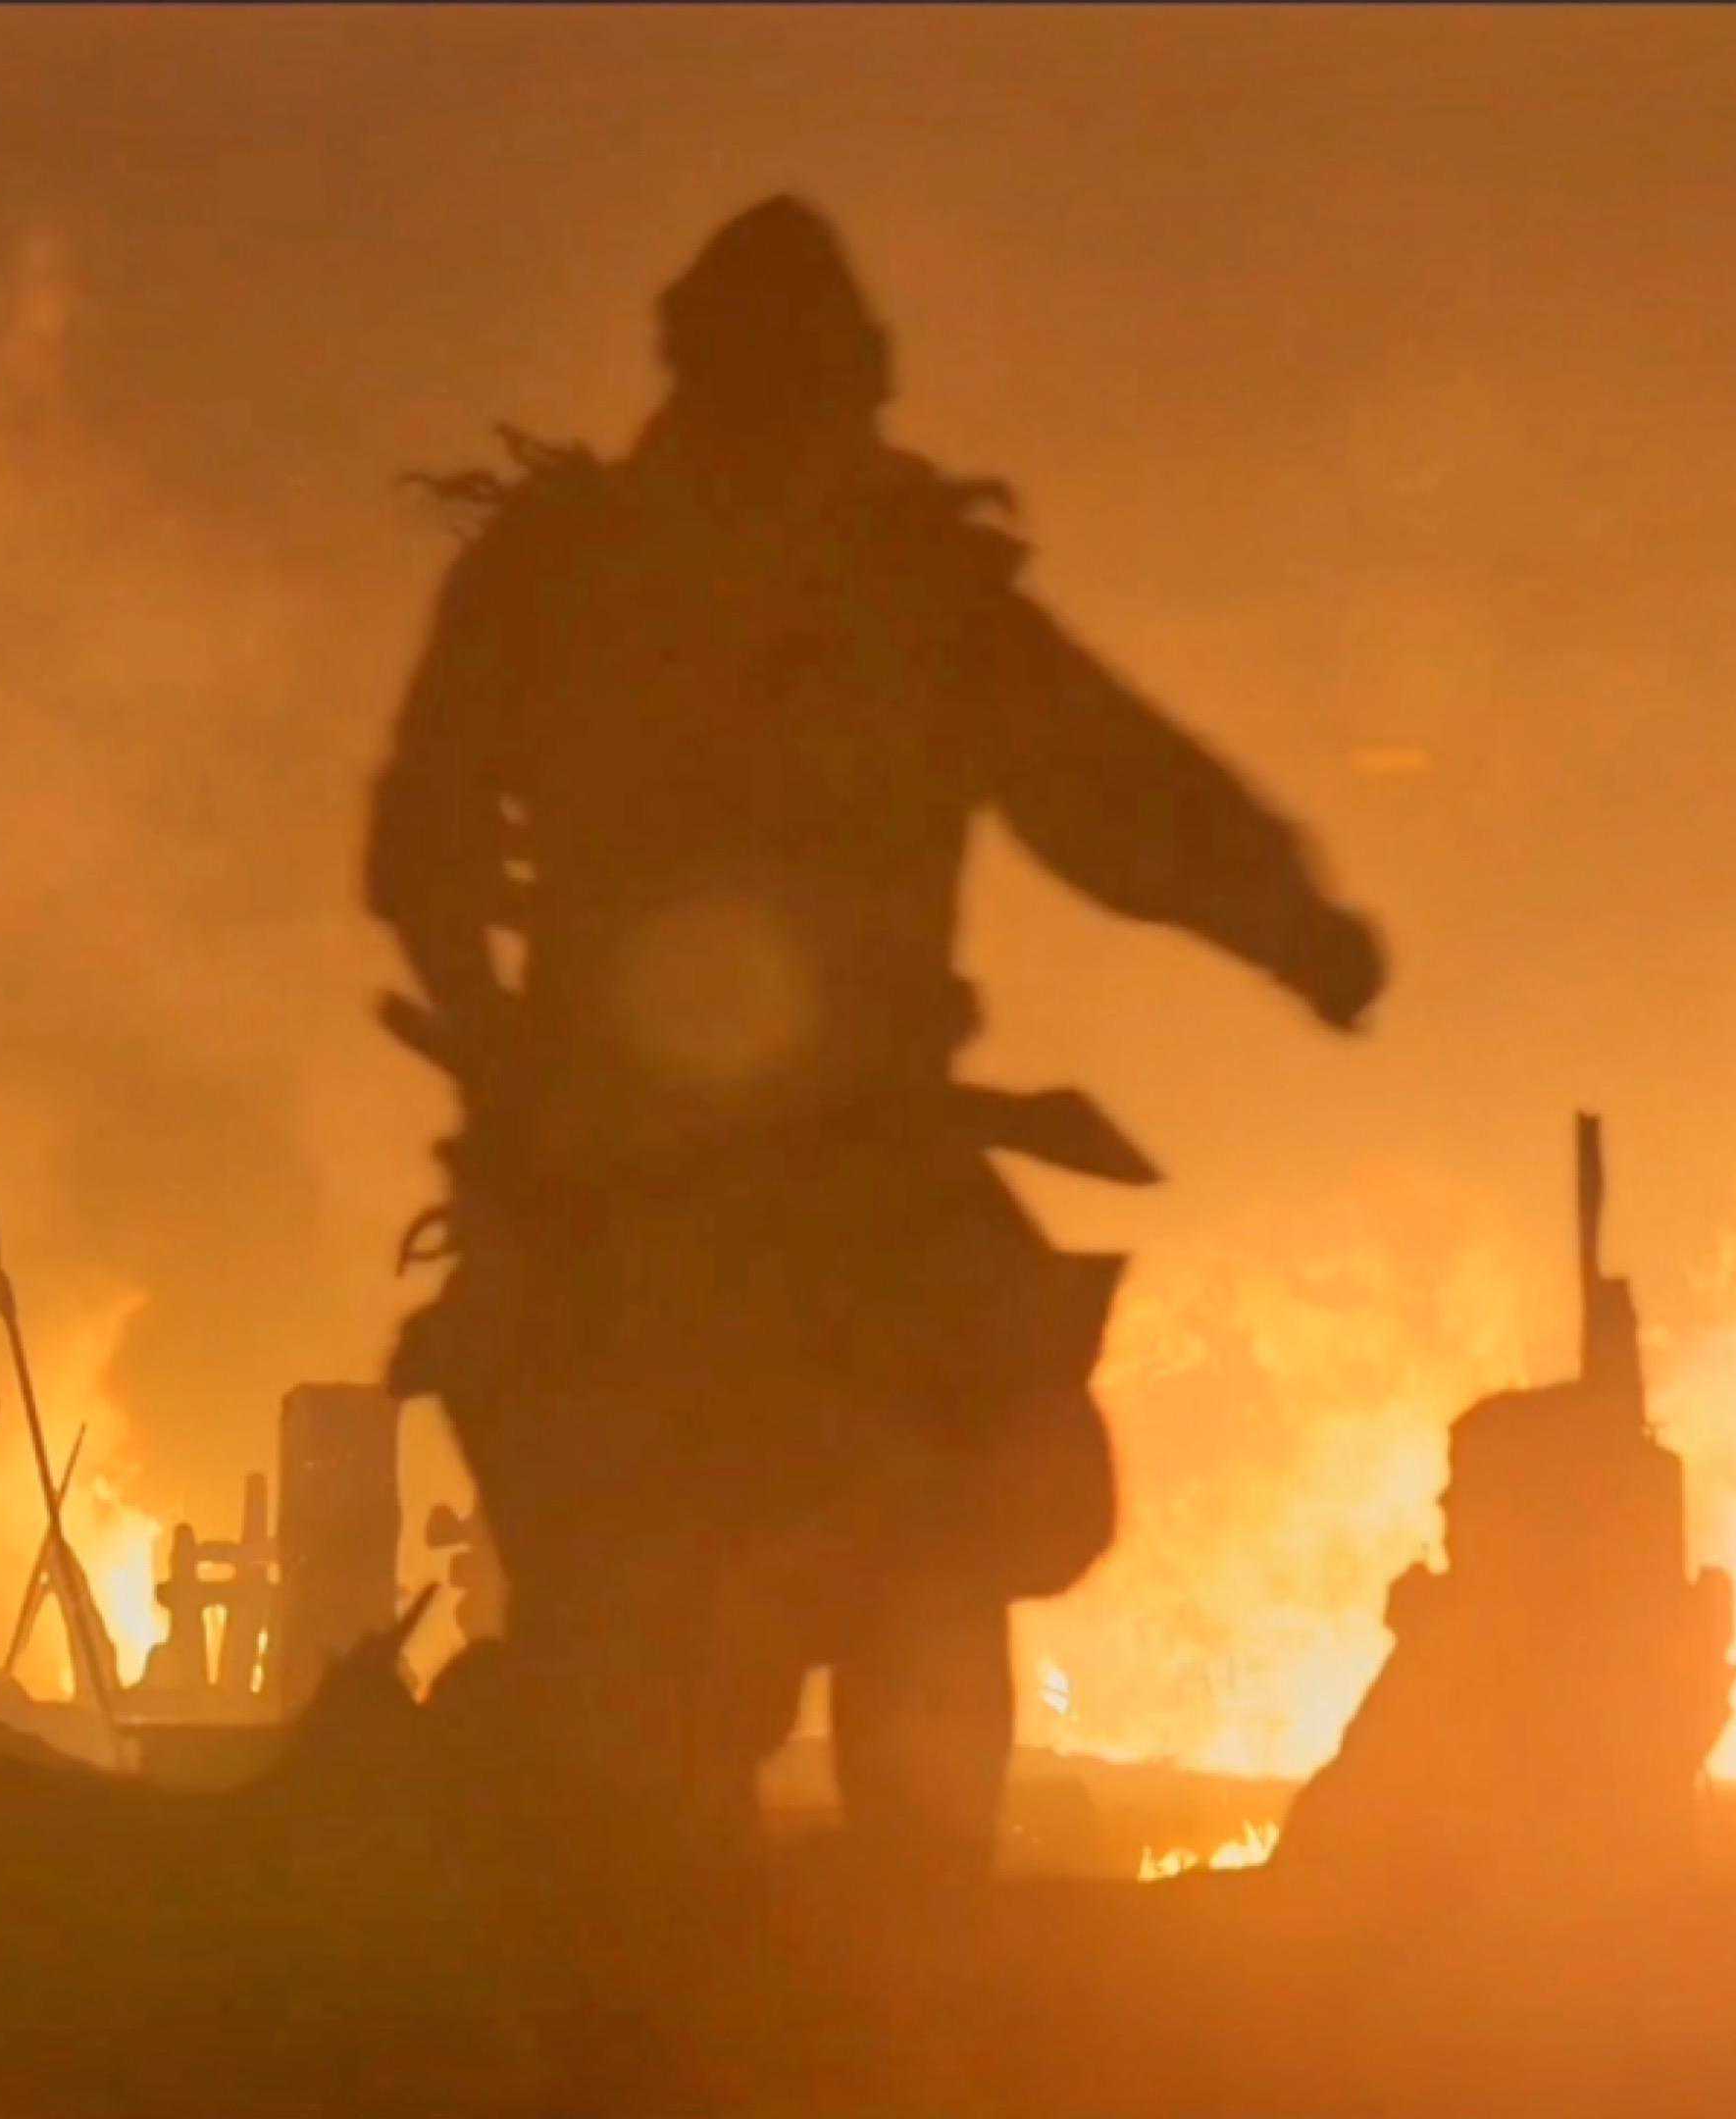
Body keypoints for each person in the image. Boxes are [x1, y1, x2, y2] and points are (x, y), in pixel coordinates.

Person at [366, 196, 1384, 1893]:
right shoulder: (845, 586)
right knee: (780, 1624)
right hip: (702, 1207)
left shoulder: (715, 581)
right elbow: (428, 859)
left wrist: (1292, 923)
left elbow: (1110, 791)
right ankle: (798, 1948)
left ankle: (847, 1948)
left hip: (773, 1196)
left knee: (883, 1583)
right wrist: (1301, 931)